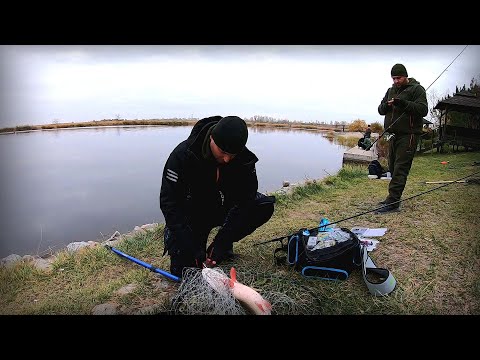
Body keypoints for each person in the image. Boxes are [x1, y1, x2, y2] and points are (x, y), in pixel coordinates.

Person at [159, 115, 276, 277]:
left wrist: (223, 240)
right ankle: (190, 247)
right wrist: (191, 246)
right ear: (212, 138)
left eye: (233, 154)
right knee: (185, 270)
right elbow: (169, 203)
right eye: (223, 152)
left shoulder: (244, 159)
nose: (227, 159)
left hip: (224, 209)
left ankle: (221, 247)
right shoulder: (183, 155)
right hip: (194, 213)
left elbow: (246, 201)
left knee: (263, 206)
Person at [376, 63, 428, 214]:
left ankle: (393, 202)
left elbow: (423, 110)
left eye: (399, 78)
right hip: (392, 134)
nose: (396, 81)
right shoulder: (390, 90)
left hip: (409, 135)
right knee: (392, 166)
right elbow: (380, 110)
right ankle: (392, 198)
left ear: (405, 76)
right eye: (394, 78)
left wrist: (402, 103)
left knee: (400, 168)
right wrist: (386, 105)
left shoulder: (417, 89)